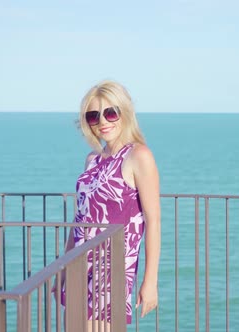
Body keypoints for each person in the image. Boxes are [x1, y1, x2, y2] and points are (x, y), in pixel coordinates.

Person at [56, 80, 161, 330]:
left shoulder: (138, 155)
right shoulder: (92, 160)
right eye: (94, 116)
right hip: (80, 265)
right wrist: (62, 268)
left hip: (112, 271)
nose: (103, 121)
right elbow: (80, 220)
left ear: (124, 112)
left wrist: (150, 281)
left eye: (110, 112)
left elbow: (153, 220)